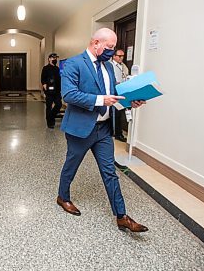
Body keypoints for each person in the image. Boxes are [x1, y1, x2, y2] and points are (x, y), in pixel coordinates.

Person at [56, 28, 148, 232]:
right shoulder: (74, 63)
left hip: (103, 130)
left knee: (110, 172)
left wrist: (130, 102)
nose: (112, 52)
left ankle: (121, 215)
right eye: (110, 47)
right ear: (96, 43)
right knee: (71, 167)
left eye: (113, 48)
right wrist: (100, 99)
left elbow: (113, 93)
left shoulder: (107, 67)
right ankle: (63, 197)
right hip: (80, 129)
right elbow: (69, 95)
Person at [111, 49, 129, 142]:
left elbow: (125, 76)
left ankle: (118, 133)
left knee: (120, 113)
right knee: (114, 113)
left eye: (123, 56)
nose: (121, 58)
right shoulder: (110, 65)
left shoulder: (123, 66)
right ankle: (115, 132)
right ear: (114, 56)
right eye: (119, 56)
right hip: (113, 92)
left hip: (122, 91)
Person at [41, 53, 62, 128]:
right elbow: (43, 79)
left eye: (56, 58)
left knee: (59, 105)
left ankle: (51, 116)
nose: (55, 59)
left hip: (57, 91)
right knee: (49, 106)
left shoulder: (57, 69)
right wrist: (44, 85)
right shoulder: (45, 68)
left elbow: (59, 79)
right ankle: (49, 122)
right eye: (53, 58)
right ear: (49, 59)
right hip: (49, 91)